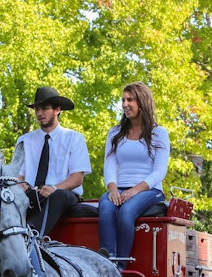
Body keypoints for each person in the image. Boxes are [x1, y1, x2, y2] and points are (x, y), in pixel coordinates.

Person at [98, 81, 170, 266]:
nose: (125, 104)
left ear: (142, 102)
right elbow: (110, 165)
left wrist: (134, 191)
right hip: (119, 187)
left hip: (149, 190)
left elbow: (159, 171)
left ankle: (121, 265)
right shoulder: (115, 133)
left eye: (130, 100)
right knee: (105, 207)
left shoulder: (158, 133)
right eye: (123, 100)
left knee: (126, 212)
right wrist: (112, 189)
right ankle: (108, 261)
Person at [13, 86, 91, 236]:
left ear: (57, 110)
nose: (39, 113)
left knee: (59, 196)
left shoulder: (73, 138)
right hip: (33, 194)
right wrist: (19, 184)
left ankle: (33, 236)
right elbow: (18, 175)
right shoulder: (24, 140)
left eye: (44, 108)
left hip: (62, 194)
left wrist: (54, 188)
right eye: (37, 109)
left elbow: (77, 179)